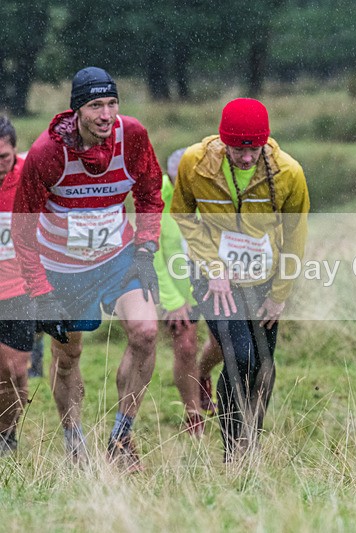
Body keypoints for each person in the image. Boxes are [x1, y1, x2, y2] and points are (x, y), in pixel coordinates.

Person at [12, 67, 163, 471]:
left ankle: (121, 438)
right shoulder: (48, 152)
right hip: (61, 267)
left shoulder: (131, 137)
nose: (105, 114)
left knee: (147, 332)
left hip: (117, 258)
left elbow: (150, 192)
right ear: (76, 110)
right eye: (95, 105)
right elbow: (22, 227)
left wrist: (146, 249)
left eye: (112, 103)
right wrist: (41, 291)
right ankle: (75, 443)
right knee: (69, 356)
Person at [171, 98, 309, 462]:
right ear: (222, 140)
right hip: (212, 276)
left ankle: (251, 440)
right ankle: (234, 452)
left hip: (264, 277)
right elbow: (183, 215)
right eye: (237, 148)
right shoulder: (194, 163)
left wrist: (280, 294)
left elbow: (296, 236)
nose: (246, 157)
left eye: (253, 148)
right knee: (241, 357)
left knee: (263, 365)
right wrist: (214, 267)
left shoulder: (288, 173)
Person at [154, 148, 223, 436]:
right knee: (185, 346)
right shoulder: (157, 199)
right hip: (178, 288)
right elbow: (153, 253)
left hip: (212, 284)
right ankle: (193, 416)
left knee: (222, 344)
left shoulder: (212, 193)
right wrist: (171, 300)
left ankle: (202, 373)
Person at [0, 116, 36, 455]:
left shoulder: (31, 174)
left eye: (2, 157)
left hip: (19, 290)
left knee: (13, 371)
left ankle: (7, 434)